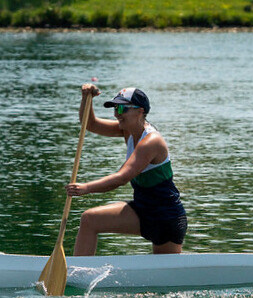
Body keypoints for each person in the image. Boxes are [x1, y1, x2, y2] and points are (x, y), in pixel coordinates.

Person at [65, 85, 187, 256]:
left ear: (140, 111)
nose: (116, 114)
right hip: (142, 210)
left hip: (165, 217)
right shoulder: (128, 131)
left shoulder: (152, 141)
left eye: (122, 108)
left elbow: (122, 178)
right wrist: (87, 98)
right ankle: (78, 273)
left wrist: (86, 188)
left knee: (167, 276)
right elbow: (90, 124)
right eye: (115, 108)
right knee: (89, 219)